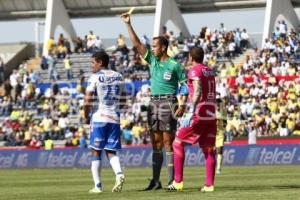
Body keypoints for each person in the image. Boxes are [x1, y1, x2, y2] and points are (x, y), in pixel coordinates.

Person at [121, 13, 188, 190]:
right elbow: (137, 45)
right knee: (155, 143)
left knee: (168, 142)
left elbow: (184, 86)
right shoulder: (153, 61)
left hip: (169, 102)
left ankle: (172, 180)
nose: (152, 49)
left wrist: (182, 104)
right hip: (154, 104)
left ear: (164, 47)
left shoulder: (174, 65)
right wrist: (129, 24)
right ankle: (156, 181)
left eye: (155, 46)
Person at [168, 47, 217, 192]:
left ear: (190, 57)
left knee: (177, 143)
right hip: (211, 112)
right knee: (208, 149)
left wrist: (191, 111)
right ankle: (209, 185)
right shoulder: (209, 70)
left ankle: (178, 182)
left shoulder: (194, 71)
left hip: (199, 112)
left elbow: (198, 90)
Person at [84, 51, 125, 193]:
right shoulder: (119, 76)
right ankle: (119, 174)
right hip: (114, 118)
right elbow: (124, 99)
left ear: (100, 63)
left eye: (93, 62)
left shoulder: (95, 77)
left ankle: (97, 186)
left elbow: (88, 98)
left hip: (99, 117)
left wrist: (85, 114)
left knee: (96, 151)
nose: (91, 66)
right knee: (111, 151)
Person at [215, 98, 227, 174]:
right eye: (217, 105)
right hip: (212, 132)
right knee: (212, 150)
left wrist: (223, 124)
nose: (218, 106)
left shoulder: (224, 112)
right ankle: (212, 165)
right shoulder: (212, 112)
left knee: (220, 149)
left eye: (219, 105)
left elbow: (226, 123)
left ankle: (218, 168)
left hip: (220, 132)